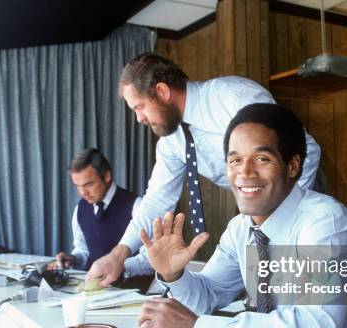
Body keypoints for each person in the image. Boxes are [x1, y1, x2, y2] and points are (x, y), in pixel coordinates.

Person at [136, 103, 347, 328]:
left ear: (292, 166)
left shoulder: (326, 223)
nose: (245, 172)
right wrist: (174, 275)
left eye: (262, 159)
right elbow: (206, 297)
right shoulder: (241, 228)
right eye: (235, 160)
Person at [86, 53, 321, 287]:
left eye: (139, 107)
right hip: (257, 209)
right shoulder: (171, 142)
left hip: (299, 196)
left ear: (162, 92)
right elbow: (157, 202)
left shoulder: (232, 97)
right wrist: (118, 255)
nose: (139, 119)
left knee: (309, 293)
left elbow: (307, 152)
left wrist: (279, 219)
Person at [47, 149, 152, 277]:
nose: (82, 193)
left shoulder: (137, 206)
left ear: (107, 176)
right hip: (93, 290)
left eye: (89, 184)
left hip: (130, 291)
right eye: (78, 186)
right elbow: (84, 251)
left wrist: (118, 265)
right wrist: (73, 259)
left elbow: (150, 259)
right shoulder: (80, 208)